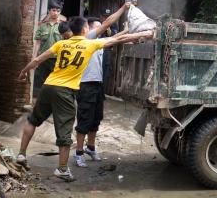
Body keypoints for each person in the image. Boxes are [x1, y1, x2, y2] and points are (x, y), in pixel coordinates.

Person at [16, 15, 153, 181]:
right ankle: (62, 169)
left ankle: (21, 154)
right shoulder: (90, 44)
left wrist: (24, 71)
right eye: (87, 27)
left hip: (48, 85)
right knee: (65, 131)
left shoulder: (61, 44)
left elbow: (38, 59)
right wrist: (146, 34)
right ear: (84, 30)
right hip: (64, 91)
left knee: (33, 120)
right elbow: (120, 39)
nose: (89, 28)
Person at [74, 5, 131, 167]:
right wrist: (123, 8)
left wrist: (127, 31)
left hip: (97, 85)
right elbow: (107, 24)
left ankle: (90, 148)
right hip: (85, 86)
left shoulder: (97, 43)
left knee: (96, 118)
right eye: (97, 28)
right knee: (84, 119)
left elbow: (116, 38)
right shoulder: (87, 40)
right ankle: (78, 153)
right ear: (88, 30)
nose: (102, 30)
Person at [32, 3, 63, 103]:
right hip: (43, 59)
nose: (55, 13)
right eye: (53, 10)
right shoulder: (42, 26)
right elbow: (37, 43)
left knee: (56, 82)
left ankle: (54, 102)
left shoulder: (62, 26)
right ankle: (43, 102)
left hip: (57, 59)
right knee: (42, 82)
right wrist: (34, 58)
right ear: (49, 11)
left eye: (58, 11)